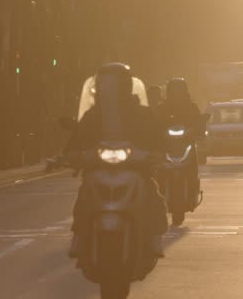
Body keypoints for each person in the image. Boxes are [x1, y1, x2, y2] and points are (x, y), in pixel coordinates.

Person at [65, 63, 167, 259]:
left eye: (116, 84)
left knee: (153, 197)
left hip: (136, 168)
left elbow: (158, 140)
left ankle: (155, 236)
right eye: (107, 84)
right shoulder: (92, 115)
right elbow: (75, 142)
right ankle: (78, 234)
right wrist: (72, 155)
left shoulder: (142, 114)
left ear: (127, 86)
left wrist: (157, 154)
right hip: (98, 167)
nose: (111, 89)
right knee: (84, 196)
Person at [158, 78, 203, 193]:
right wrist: (157, 132)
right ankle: (159, 187)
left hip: (186, 142)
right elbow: (155, 123)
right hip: (166, 144)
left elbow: (198, 121)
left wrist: (197, 131)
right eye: (173, 90)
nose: (176, 93)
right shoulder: (162, 107)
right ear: (169, 92)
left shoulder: (192, 106)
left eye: (179, 90)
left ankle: (193, 187)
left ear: (184, 91)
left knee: (193, 162)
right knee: (157, 164)